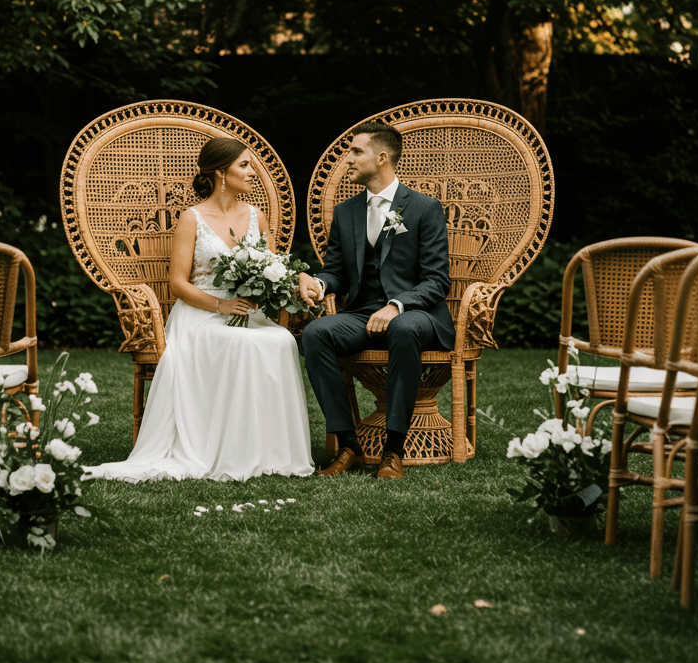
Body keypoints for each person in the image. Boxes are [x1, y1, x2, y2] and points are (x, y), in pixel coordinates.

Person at [87, 138, 314, 482]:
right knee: (244, 344)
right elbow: (177, 283)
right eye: (244, 166)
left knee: (281, 340)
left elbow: (273, 265)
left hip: (246, 311)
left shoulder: (257, 216)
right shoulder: (192, 218)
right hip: (200, 314)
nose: (253, 173)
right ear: (221, 172)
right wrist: (221, 304)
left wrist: (285, 279)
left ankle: (271, 453)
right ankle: (227, 451)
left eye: (251, 165)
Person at [298, 121, 453, 480]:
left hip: (418, 314)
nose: (347, 159)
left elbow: (436, 279)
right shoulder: (346, 212)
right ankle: (349, 445)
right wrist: (318, 284)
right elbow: (336, 269)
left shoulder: (423, 208)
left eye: (356, 151)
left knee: (403, 329)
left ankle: (392, 450)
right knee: (316, 333)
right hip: (362, 312)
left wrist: (397, 305)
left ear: (381, 158)